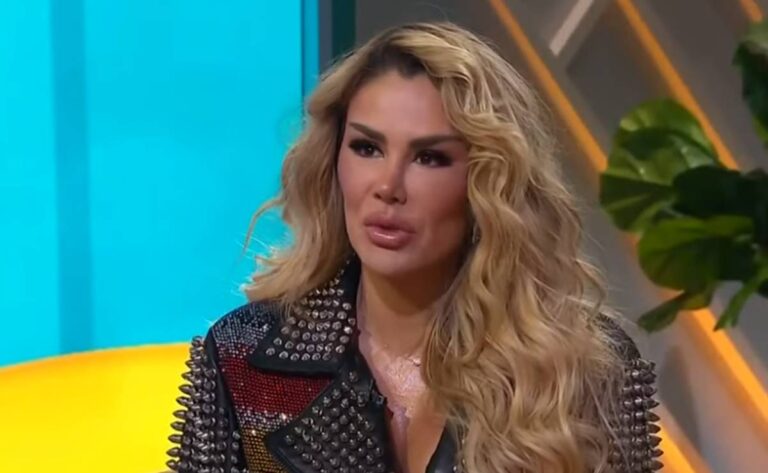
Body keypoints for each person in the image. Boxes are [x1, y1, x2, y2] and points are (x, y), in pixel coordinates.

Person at [166, 22, 662, 473]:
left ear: (489, 182)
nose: (388, 187)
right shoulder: (242, 358)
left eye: (429, 157)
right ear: (333, 160)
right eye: (367, 148)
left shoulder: (585, 370)